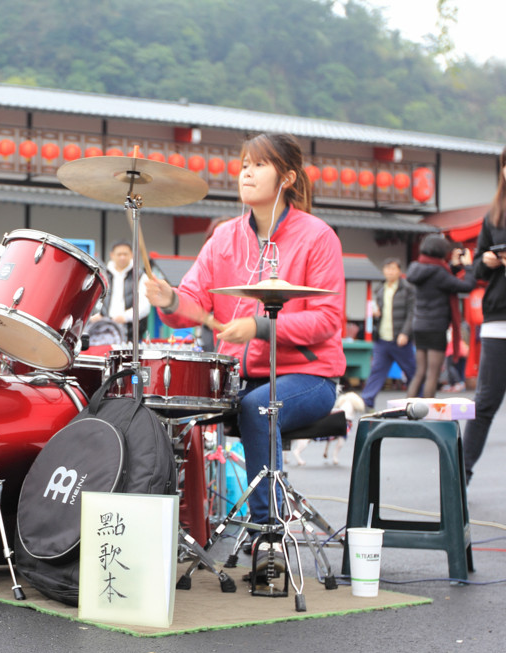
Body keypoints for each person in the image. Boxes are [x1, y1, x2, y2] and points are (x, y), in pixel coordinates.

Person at [146, 133, 344, 571]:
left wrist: (259, 325)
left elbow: (328, 321)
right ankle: (171, 528)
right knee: (169, 403)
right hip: (240, 375)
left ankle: (266, 532)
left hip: (309, 378)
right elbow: (192, 305)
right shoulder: (223, 239)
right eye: (242, 165)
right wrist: (170, 300)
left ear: (287, 177)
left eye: (258, 165)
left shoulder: (318, 237)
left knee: (258, 407)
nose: (246, 173)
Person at [463, 146, 506, 485]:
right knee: (485, 401)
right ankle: (459, 474)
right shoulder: (495, 217)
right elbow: (476, 267)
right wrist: (487, 263)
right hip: (498, 318)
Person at [405, 235, 475, 399]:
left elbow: (444, 277)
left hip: (419, 325)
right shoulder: (439, 272)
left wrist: (454, 266)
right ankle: (428, 415)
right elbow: (466, 286)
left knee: (420, 372)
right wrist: (469, 267)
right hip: (435, 327)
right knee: (432, 374)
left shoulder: (417, 267)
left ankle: (407, 410)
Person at [360, 258, 416, 410]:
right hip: (382, 338)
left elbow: (412, 313)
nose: (390, 271)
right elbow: (377, 312)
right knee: (377, 371)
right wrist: (376, 314)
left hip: (400, 338)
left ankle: (419, 401)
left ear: (399, 271)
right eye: (387, 268)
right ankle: (367, 401)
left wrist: (405, 333)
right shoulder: (380, 289)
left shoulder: (407, 289)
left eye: (393, 268)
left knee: (412, 371)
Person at [88, 240, 150, 341]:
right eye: (119, 254)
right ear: (112, 255)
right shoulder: (101, 274)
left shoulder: (140, 276)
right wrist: (93, 315)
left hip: (131, 332)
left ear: (131, 255)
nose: (122, 257)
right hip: (101, 330)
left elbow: (145, 305)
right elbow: (90, 298)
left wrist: (126, 317)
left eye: (125, 254)